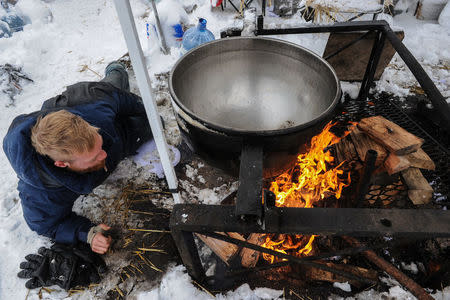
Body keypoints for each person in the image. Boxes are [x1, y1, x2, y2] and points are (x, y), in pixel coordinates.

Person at [3, 61, 153, 254]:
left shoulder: (92, 102)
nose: (103, 155)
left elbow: (119, 99)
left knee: (117, 84)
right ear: (62, 164)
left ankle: (116, 68)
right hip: (115, 136)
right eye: (94, 157)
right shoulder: (41, 191)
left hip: (104, 122)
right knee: (149, 126)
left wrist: (145, 110)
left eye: (99, 146)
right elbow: (47, 226)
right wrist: (87, 234)